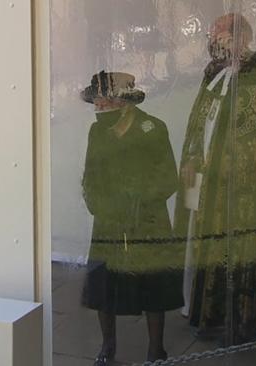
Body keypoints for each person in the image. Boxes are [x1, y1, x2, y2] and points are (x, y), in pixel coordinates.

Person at [174, 13, 256, 344]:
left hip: (239, 188)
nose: (212, 36)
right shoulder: (213, 73)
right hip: (205, 177)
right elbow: (200, 121)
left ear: (238, 37)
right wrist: (193, 158)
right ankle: (207, 313)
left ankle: (239, 320)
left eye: (219, 31)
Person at [80, 70, 183, 365]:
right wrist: (98, 204)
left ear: (122, 102)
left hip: (147, 222)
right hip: (109, 221)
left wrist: (136, 200)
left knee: (154, 288)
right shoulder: (97, 132)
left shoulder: (153, 129)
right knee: (104, 287)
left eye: (104, 105)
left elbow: (167, 179)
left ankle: (156, 350)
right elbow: (90, 176)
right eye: (96, 105)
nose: (99, 111)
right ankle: (107, 346)